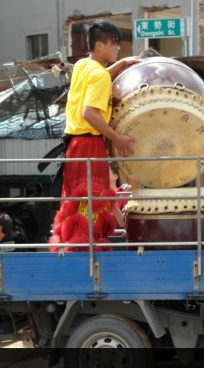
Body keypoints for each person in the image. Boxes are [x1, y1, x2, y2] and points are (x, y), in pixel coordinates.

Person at [49, 20, 141, 252]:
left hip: (75, 145)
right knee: (92, 200)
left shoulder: (82, 65)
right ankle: (86, 252)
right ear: (99, 45)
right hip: (90, 143)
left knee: (78, 200)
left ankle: (73, 248)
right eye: (114, 44)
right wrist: (117, 138)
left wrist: (119, 65)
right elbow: (89, 113)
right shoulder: (99, 75)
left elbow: (98, 77)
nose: (118, 48)